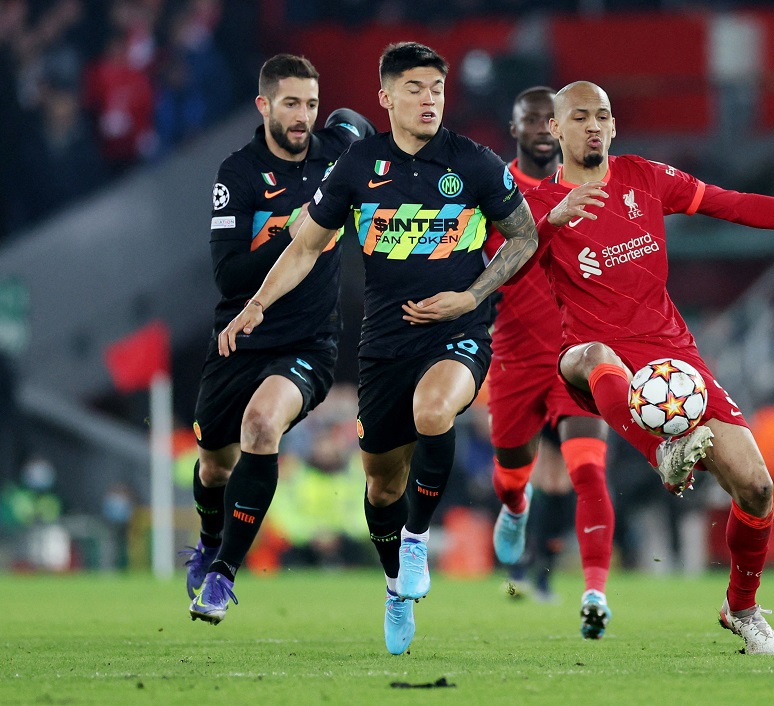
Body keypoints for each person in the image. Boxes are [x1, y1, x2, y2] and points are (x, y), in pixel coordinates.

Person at [521, 81, 774, 656]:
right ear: (554, 129)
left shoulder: (644, 178)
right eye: (580, 117)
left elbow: (738, 204)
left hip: (674, 363)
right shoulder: (534, 203)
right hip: (589, 358)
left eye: (603, 115)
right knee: (597, 358)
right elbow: (504, 268)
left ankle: (743, 607)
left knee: (756, 488)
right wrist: (554, 219)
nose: (594, 126)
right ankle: (663, 454)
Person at [217, 42, 538, 655]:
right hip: (385, 344)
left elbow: (523, 237)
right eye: (414, 88)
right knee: (382, 486)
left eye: (436, 89)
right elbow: (307, 245)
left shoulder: (473, 162)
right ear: (385, 97)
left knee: (435, 411)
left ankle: (416, 542)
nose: (428, 99)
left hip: (456, 331)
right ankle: (396, 588)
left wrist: (472, 298)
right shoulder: (358, 166)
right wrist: (257, 303)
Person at [184, 53, 376, 624]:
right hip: (241, 335)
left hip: (309, 344)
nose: (303, 117)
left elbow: (362, 136)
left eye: (311, 105)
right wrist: (298, 234)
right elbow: (230, 276)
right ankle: (210, 540)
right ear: (264, 105)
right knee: (214, 466)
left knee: (262, 426)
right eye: (291, 104)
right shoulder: (238, 174)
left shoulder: (337, 155)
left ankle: (222, 577)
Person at [483, 86, 614, 638]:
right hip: (514, 355)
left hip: (574, 353)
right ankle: (515, 508)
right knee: (519, 475)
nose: (540, 127)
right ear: (515, 129)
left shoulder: (593, 186)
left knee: (583, 470)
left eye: (547, 118)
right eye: (529, 118)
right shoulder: (493, 191)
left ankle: (592, 591)